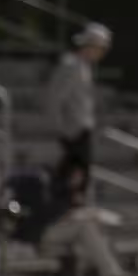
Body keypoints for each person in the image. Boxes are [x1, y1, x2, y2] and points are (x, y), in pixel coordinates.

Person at [45, 22, 111, 178]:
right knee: (74, 179)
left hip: (80, 129)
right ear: (91, 46)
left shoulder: (83, 66)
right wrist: (61, 128)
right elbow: (56, 98)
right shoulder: (72, 65)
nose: (102, 53)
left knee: (75, 177)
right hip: (73, 130)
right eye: (101, 48)